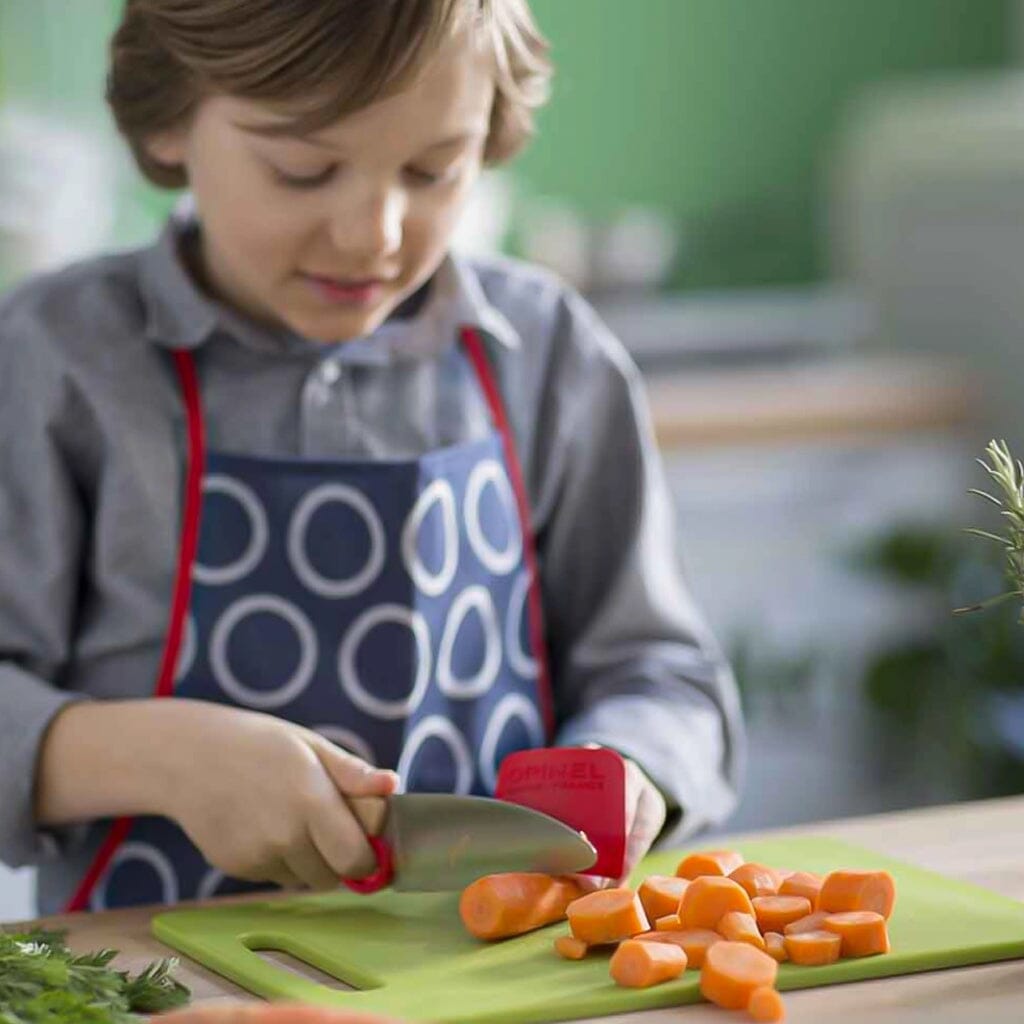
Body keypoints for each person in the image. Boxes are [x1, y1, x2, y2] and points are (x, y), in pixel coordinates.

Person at [0, 0, 743, 916]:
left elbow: (667, 678)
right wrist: (162, 756)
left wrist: (630, 771)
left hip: (495, 974)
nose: (375, 236)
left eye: (434, 171)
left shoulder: (549, 357)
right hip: (155, 984)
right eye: (303, 171)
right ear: (169, 120)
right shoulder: (53, 361)